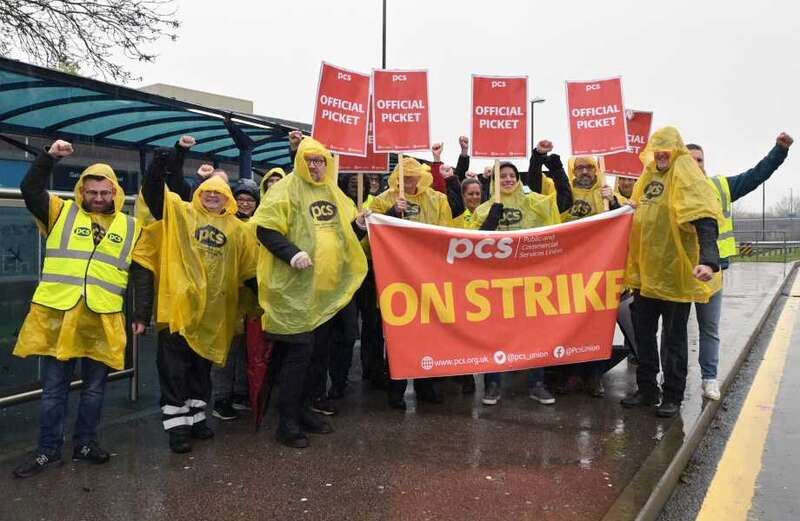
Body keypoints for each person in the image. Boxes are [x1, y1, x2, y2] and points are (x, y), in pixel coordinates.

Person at [12, 140, 152, 478]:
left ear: (115, 192)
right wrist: (50, 157)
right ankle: (48, 450)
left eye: (105, 192)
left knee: (94, 389)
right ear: (82, 191)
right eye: (93, 192)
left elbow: (142, 272)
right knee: (55, 390)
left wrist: (141, 314)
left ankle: (85, 443)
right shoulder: (60, 211)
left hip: (102, 318)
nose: (99, 198)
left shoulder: (131, 226)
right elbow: (30, 189)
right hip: (62, 316)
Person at [136, 146, 258, 453]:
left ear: (227, 198)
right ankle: (177, 429)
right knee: (174, 371)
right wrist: (161, 163)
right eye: (207, 192)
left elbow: (249, 270)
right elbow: (154, 194)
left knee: (201, 371)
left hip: (213, 315)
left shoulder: (237, 229)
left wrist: (266, 298)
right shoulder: (182, 214)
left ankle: (197, 419)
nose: (213, 197)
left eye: (219, 193)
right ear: (198, 193)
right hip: (179, 310)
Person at [252, 137, 368, 448]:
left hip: (326, 294)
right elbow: (264, 228)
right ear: (300, 160)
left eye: (320, 160)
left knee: (319, 356)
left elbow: (344, 236)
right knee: (299, 357)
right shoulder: (286, 189)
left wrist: (359, 226)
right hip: (296, 293)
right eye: (310, 160)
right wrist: (291, 254)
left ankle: (305, 409)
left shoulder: (332, 191)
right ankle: (286, 420)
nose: (315, 166)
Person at [621, 127, 723, 418]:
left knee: (674, 339)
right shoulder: (648, 175)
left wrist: (709, 260)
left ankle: (673, 394)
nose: (662, 153)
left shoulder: (685, 173)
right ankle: (647, 388)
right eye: (658, 148)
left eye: (667, 148)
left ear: (675, 150)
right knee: (643, 335)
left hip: (675, 275)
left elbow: (704, 217)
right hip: (645, 276)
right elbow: (638, 212)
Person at [683, 132, 793, 400]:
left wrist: (778, 151)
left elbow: (756, 175)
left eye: (700, 160)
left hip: (713, 272)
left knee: (709, 329)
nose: (696, 164)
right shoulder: (672, 191)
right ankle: (675, 382)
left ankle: (710, 379)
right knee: (675, 334)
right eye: (690, 160)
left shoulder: (721, 187)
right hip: (680, 272)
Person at [470, 162, 561, 406]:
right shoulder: (483, 210)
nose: (508, 179)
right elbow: (472, 243)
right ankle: (493, 384)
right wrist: (493, 216)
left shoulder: (534, 203)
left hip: (530, 282)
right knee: (495, 335)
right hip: (495, 284)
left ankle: (537, 383)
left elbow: (557, 216)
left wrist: (542, 159)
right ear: (495, 181)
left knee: (534, 334)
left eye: (512, 175)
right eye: (503, 176)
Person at [369, 157, 453, 409]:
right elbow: (370, 235)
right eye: (404, 177)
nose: (408, 181)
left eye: (412, 176)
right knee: (397, 336)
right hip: (395, 279)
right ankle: (396, 390)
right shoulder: (383, 200)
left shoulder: (437, 200)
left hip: (428, 277)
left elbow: (445, 234)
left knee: (427, 335)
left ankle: (426, 387)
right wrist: (392, 213)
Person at [210, 179, 262, 421]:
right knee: (227, 349)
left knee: (245, 347)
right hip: (227, 294)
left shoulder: (259, 224)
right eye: (240, 199)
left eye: (250, 200)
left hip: (250, 296)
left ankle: (241, 392)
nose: (245, 203)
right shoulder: (224, 224)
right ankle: (221, 397)